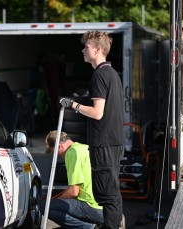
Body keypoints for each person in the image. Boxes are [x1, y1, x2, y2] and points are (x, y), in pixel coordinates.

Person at [60, 30, 125, 229]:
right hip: (112, 143)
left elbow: (97, 113)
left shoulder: (99, 75)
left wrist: (73, 105)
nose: (83, 50)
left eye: (86, 47)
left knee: (107, 195)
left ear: (97, 49)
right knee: (110, 192)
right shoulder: (112, 74)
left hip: (104, 144)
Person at [40, 131, 104, 229]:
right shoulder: (83, 147)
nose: (56, 155)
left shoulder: (72, 153)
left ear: (60, 146)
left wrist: (56, 201)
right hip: (103, 207)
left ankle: (90, 227)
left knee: (45, 206)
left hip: (92, 207)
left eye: (54, 151)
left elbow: (73, 192)